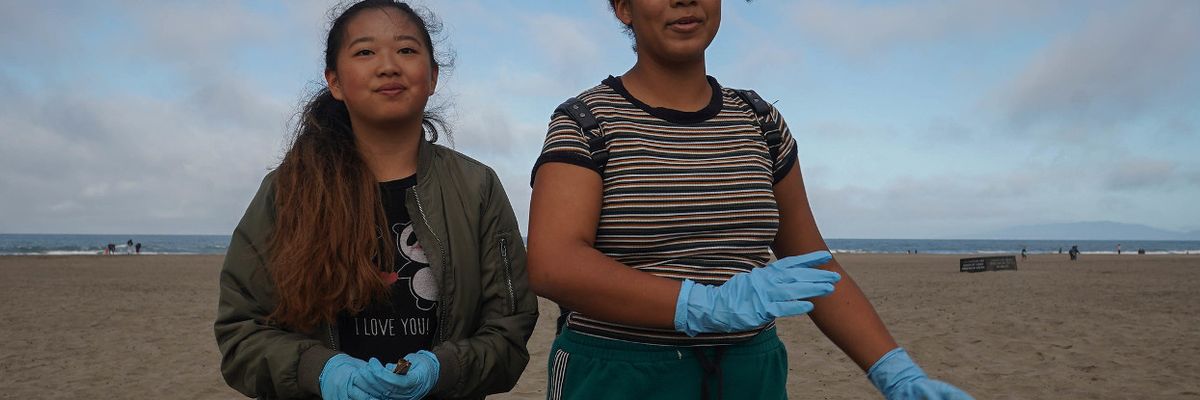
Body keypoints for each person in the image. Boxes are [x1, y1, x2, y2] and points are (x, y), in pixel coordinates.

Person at [526, 1, 972, 399]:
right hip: (618, 374)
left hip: (748, 375)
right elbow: (553, 263)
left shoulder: (760, 122)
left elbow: (813, 262)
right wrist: (703, 306)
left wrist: (894, 371)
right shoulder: (587, 121)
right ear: (624, 8)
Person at [213, 2, 538, 399]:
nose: (388, 66)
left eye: (406, 50)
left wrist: (443, 369)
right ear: (335, 82)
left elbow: (509, 330)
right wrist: (320, 372)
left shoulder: (476, 187)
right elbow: (241, 333)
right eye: (365, 52)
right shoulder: (287, 191)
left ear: (433, 76)